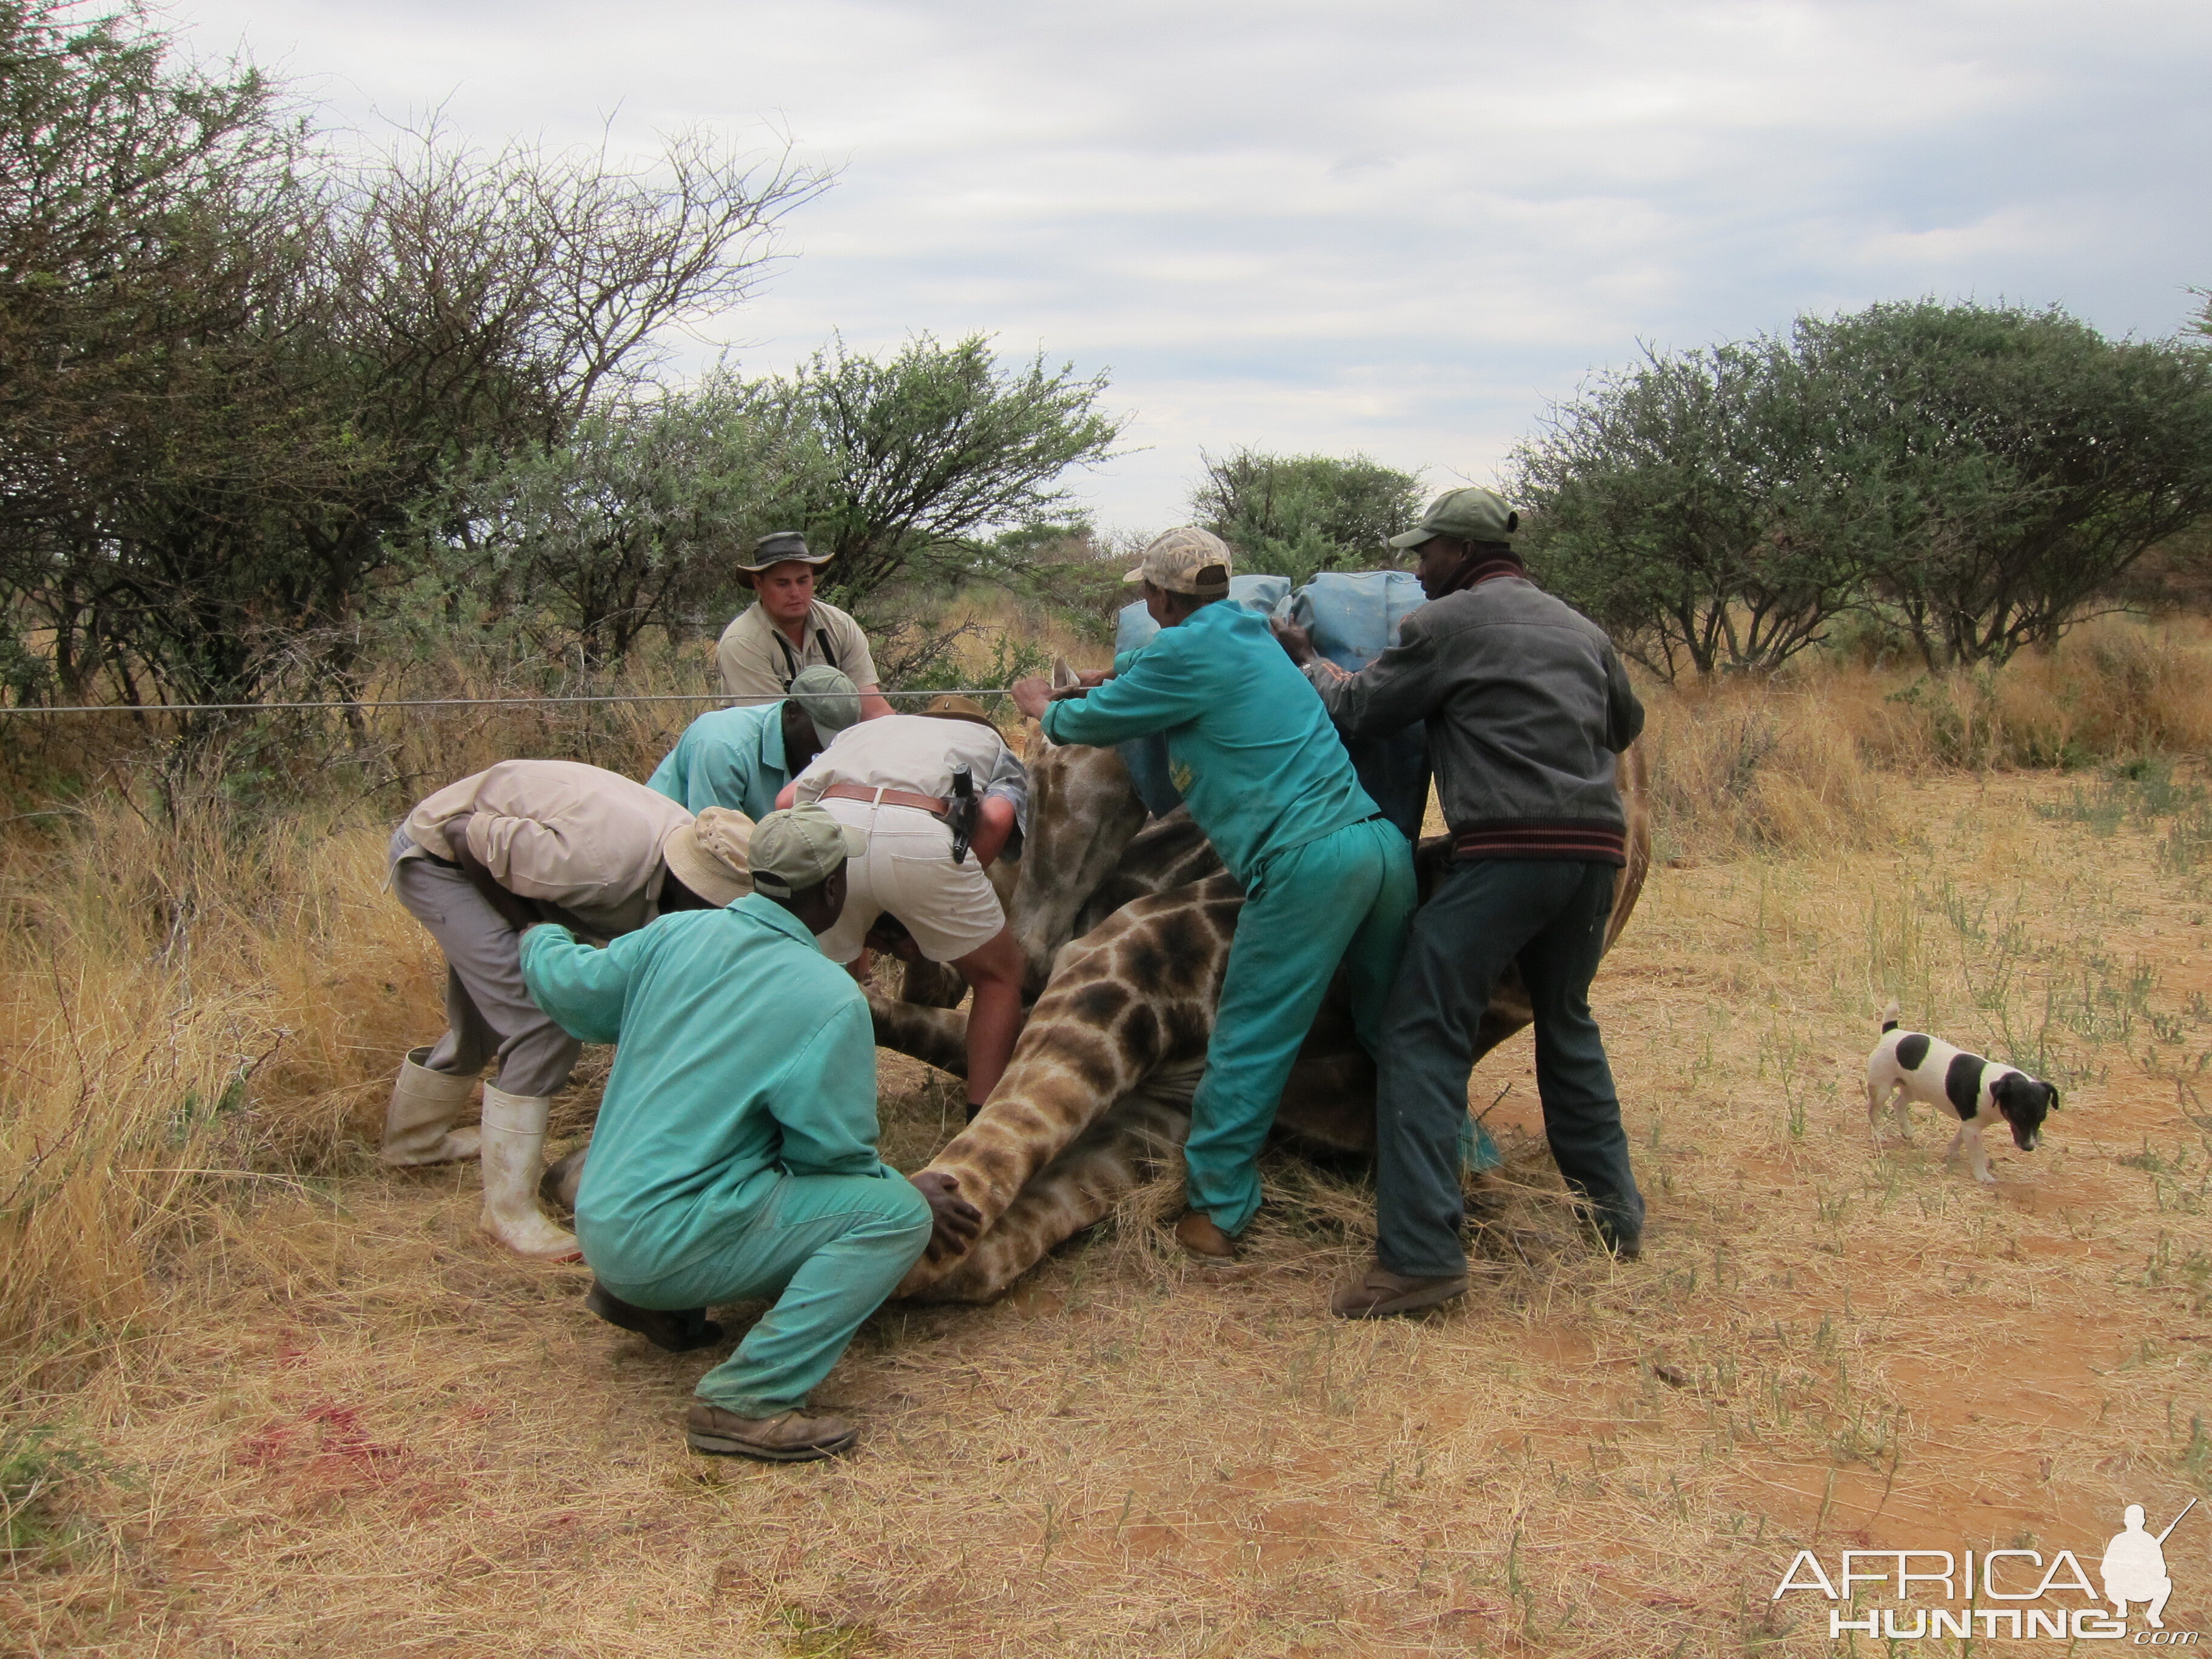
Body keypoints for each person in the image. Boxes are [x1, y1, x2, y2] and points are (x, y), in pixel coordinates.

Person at [1278, 486, 1646, 1319]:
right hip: (1596, 854)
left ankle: (1419, 1259)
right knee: (1570, 1022)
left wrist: (1303, 656)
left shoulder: (1445, 627)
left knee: (1419, 1027)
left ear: (1464, 552)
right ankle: (1615, 1220)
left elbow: (1360, 709)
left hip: (1508, 852)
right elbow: (1625, 724)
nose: (1417, 569)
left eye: (1426, 553)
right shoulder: (1583, 630)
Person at [519, 805, 984, 1463]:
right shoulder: (829, 997)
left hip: (601, 1217)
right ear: (832, 891)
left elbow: (575, 994)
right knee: (894, 1219)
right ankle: (746, 1400)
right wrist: (903, 1189)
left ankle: (652, 1303)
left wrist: (539, 937)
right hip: (662, 1242)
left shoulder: (672, 936)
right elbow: (833, 1159)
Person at [1010, 528, 1416, 1264]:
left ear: (1161, 596)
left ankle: (1217, 1212)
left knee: (1249, 1038)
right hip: (1380, 847)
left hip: (1306, 866)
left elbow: (1090, 723)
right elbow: (1145, 669)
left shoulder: (1182, 653)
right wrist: (1108, 674)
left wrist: (1044, 705)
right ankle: (1461, 1161)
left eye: (1146, 592)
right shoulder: (1247, 630)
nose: (1144, 600)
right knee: (1397, 1029)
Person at [383, 760, 754, 1258]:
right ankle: (508, 1213)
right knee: (541, 1015)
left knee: (489, 1013)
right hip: (441, 861)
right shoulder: (600, 864)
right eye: (710, 905)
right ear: (686, 878)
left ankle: (414, 1143)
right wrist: (532, 930)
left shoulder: (693, 849)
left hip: (505, 864)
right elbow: (463, 836)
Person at [780, 695, 1029, 1118]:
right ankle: (981, 1119)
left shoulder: (860, 732)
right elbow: (996, 818)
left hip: (831, 827)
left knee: (819, 978)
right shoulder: (993, 745)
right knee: (999, 978)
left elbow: (787, 804)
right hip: (923, 832)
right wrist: (945, 891)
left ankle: (805, 1107)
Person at [716, 531, 894, 719]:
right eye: (783, 584)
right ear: (759, 583)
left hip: (839, 740)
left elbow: (872, 708)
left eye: (803, 581)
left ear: (813, 579)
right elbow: (775, 729)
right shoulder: (743, 641)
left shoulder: (840, 625)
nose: (795, 593)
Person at [646, 666, 861, 818]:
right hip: (666, 851)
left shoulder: (808, 749)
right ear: (792, 712)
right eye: (820, 736)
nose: (824, 751)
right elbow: (715, 842)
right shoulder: (724, 747)